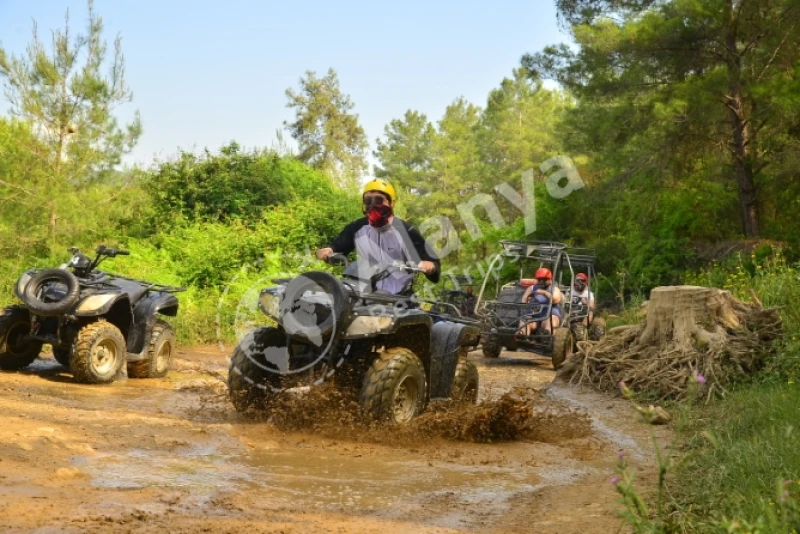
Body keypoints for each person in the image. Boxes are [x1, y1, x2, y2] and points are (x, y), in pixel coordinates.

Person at [316, 179, 440, 295]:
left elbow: (434, 264)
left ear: (391, 203)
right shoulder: (357, 227)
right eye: (368, 200)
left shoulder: (406, 231)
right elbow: (339, 246)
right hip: (366, 294)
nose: (373, 204)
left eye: (379, 200)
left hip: (400, 297)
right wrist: (328, 250)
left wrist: (430, 266)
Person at [518, 267, 563, 336]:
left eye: (544, 280)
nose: (541, 282)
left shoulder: (554, 289)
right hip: (534, 314)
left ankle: (546, 336)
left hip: (549, 313)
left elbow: (555, 300)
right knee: (525, 319)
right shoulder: (532, 288)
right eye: (539, 280)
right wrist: (526, 304)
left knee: (551, 321)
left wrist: (544, 293)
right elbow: (524, 298)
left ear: (549, 280)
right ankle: (522, 335)